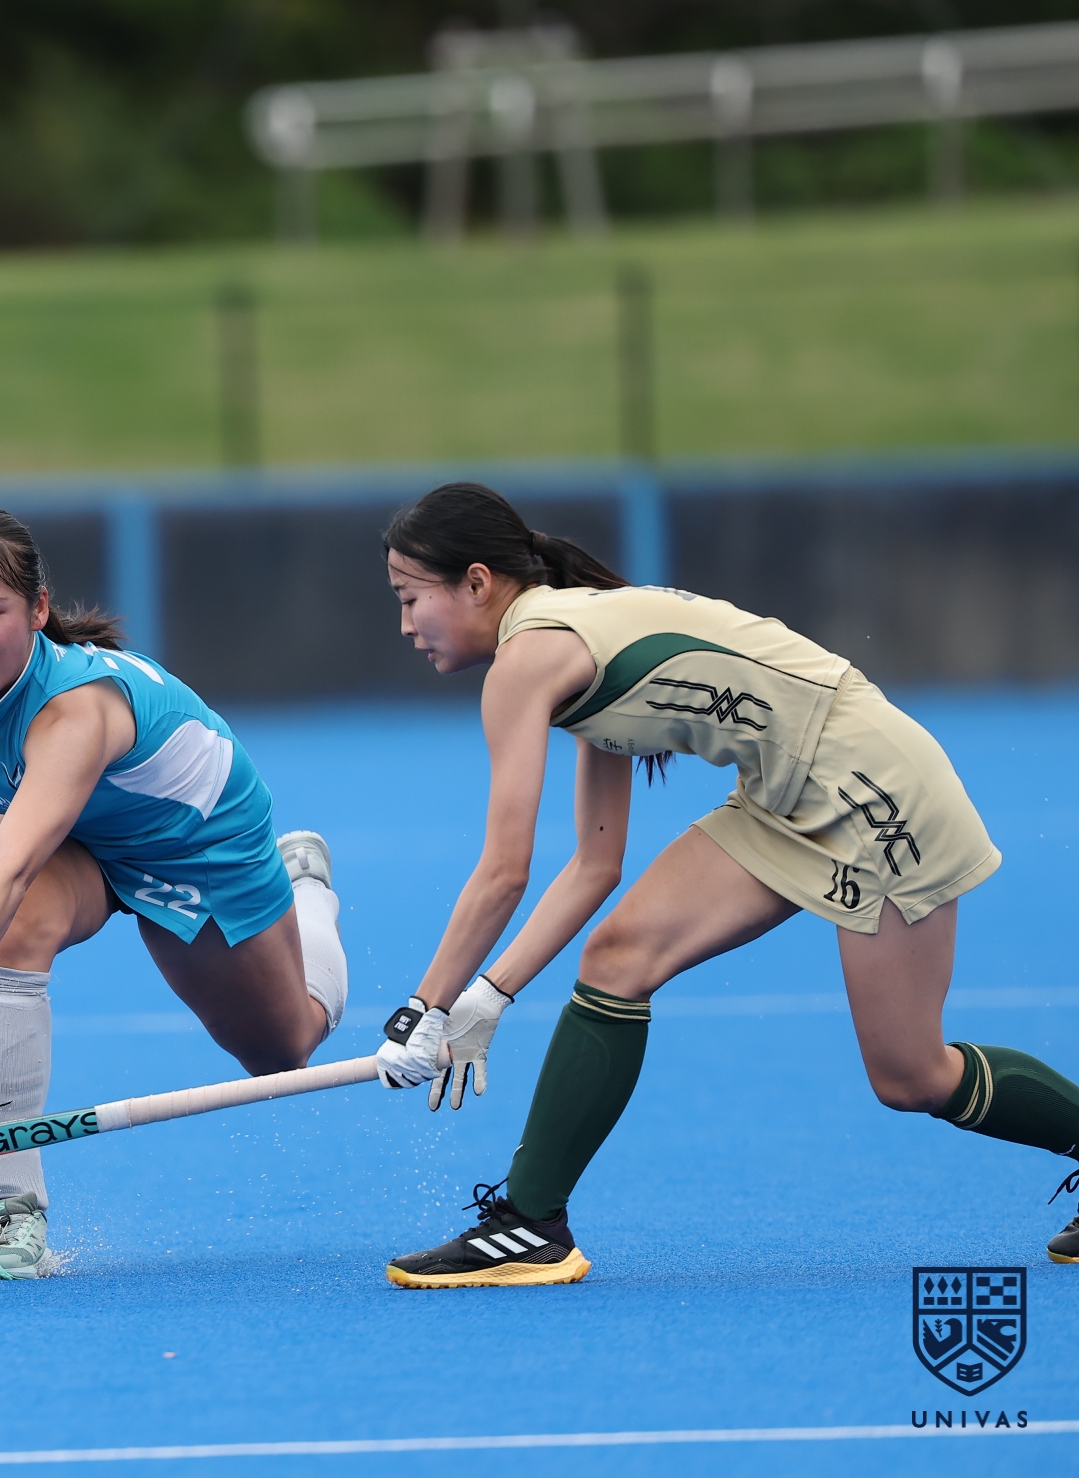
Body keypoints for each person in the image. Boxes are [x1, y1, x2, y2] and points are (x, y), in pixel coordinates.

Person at [370, 481, 1079, 1287]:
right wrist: (487, 997)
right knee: (619, 957)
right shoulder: (564, 641)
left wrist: (422, 1008)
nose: (405, 625)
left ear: (475, 582)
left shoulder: (529, 658)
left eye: (409, 598)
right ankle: (532, 1225)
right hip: (784, 797)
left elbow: (505, 870)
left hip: (873, 789)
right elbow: (595, 864)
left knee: (911, 1076)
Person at [0, 501, 349, 1280]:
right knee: (11, 929)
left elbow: (11, 866)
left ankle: (306, 891)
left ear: (38, 610)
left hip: (193, 849)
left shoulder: (76, 713)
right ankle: (12, 1215)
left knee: (284, 1051)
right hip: (77, 839)